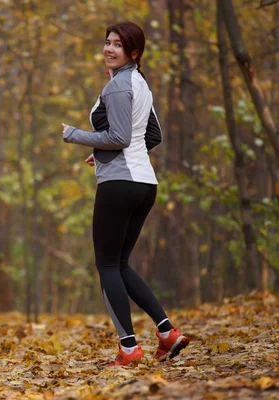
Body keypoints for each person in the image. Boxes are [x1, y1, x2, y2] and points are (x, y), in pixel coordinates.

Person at [61, 21, 189, 366]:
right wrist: (104, 153)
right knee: (119, 264)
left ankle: (129, 349)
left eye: (118, 44)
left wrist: (76, 134)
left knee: (106, 265)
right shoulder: (139, 84)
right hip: (144, 184)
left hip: (119, 184)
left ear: (133, 52)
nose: (109, 48)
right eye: (107, 42)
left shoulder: (118, 87)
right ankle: (167, 333)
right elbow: (152, 134)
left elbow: (118, 137)